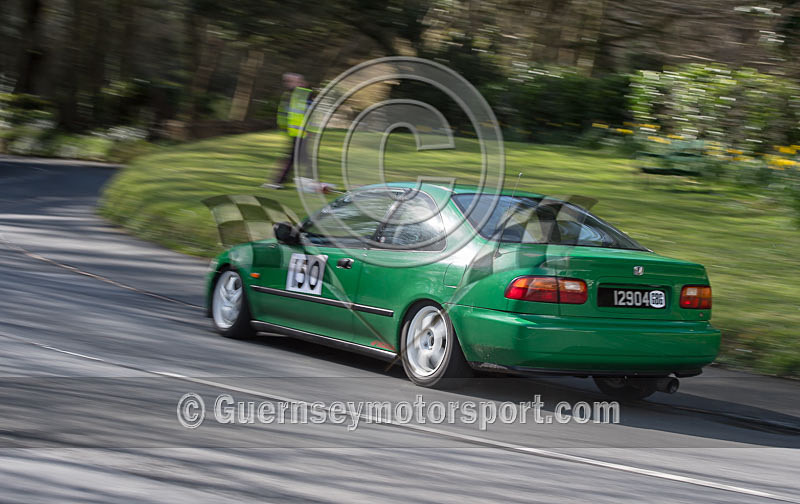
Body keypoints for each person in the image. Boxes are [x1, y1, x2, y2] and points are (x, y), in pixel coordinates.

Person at [262, 73, 313, 189]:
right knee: (304, 157)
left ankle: (278, 182)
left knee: (291, 157)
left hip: (302, 132)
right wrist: (284, 126)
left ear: (300, 82)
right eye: (286, 81)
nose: (287, 83)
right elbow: (286, 112)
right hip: (294, 132)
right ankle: (311, 181)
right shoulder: (290, 95)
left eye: (290, 81)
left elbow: (310, 113)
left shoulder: (304, 94)